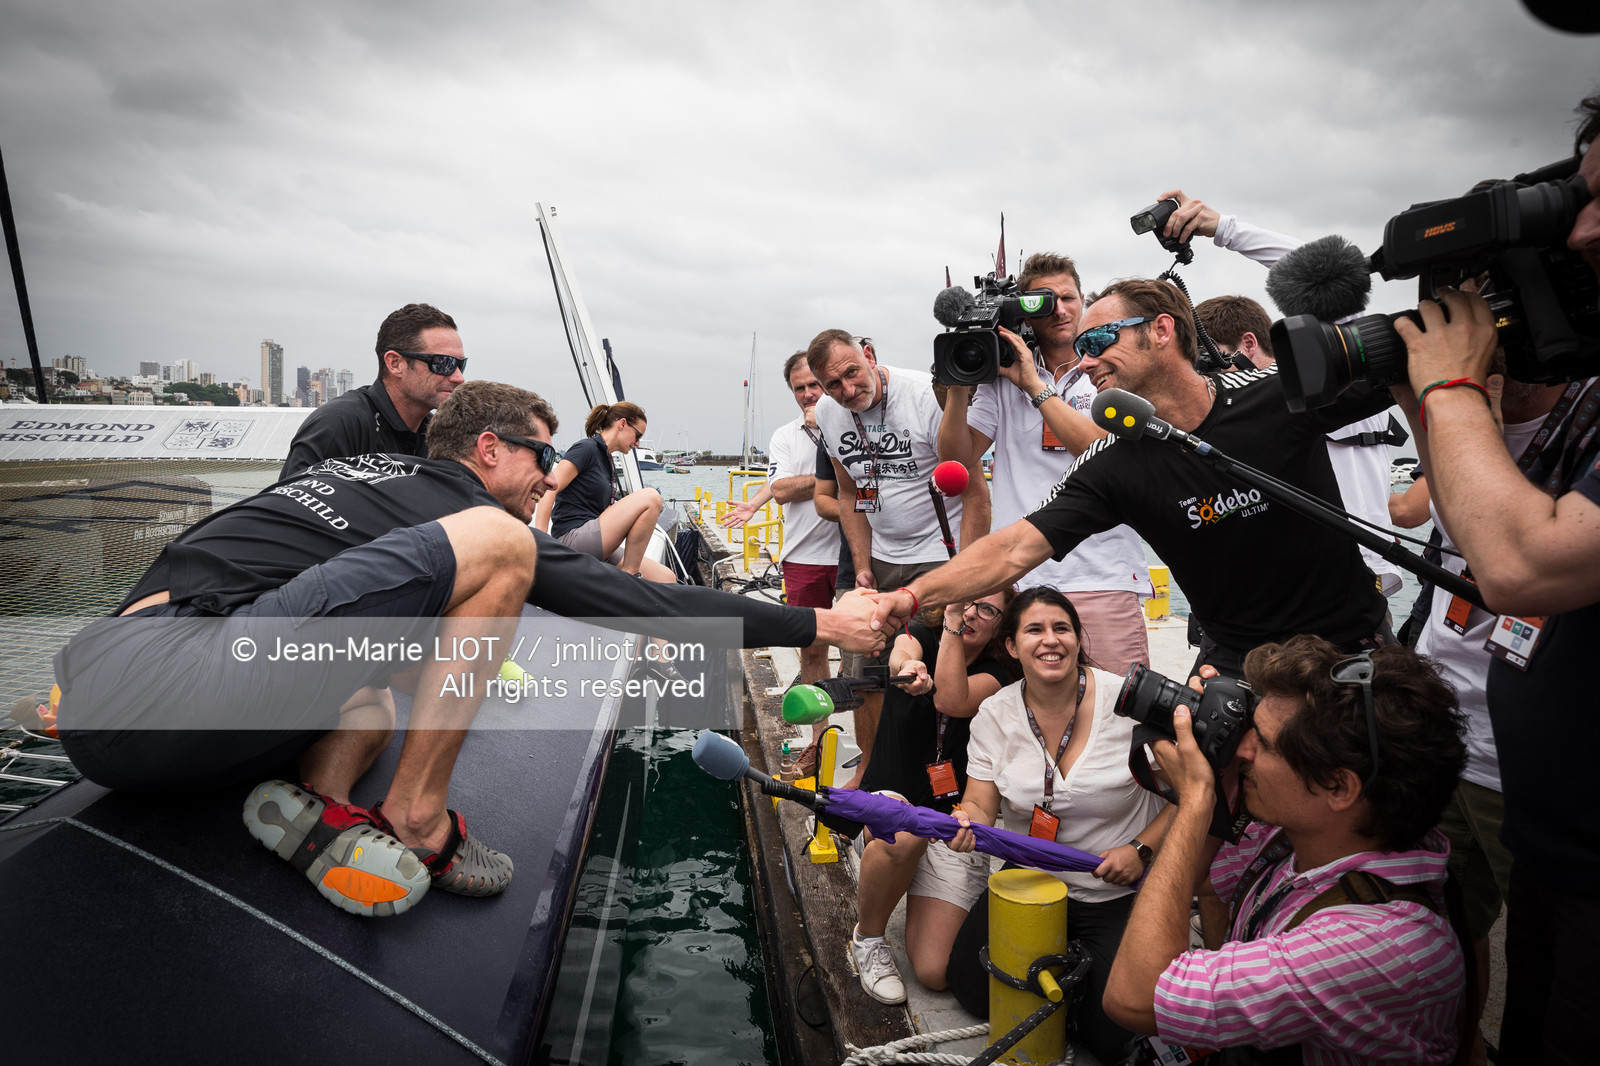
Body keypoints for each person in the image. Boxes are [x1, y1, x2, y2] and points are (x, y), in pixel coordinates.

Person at [55, 381, 887, 919]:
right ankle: (417, 819)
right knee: (501, 548)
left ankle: (320, 802)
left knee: (376, 698)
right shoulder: (465, 509)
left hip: (115, 687)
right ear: (488, 450)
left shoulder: (360, 482)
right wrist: (817, 626)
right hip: (174, 679)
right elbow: (635, 601)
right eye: (542, 454)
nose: (551, 474)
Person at [870, 278, 1396, 681]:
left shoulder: (1273, 393)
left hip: (1351, 650)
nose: (1086, 359)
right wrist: (911, 598)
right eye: (1081, 347)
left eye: (1099, 339)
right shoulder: (1115, 461)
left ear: (1162, 330)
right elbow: (1012, 550)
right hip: (1239, 662)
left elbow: (1407, 357)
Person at [1386, 91, 1600, 1063]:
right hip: (1552, 838)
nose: (1587, 230)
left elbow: (1517, 561)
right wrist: (1429, 397)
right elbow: (1485, 522)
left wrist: (1450, 385)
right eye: (1577, 201)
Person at [1104, 637, 1467, 1061]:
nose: (1243, 750)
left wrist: (1196, 802)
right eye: (1249, 730)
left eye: (1265, 744)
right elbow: (1196, 877)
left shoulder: (1376, 943)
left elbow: (1134, 995)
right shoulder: (1305, 838)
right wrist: (1219, 784)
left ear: (1338, 786)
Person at [942, 587, 1170, 1062]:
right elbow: (980, 803)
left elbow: (1189, 796)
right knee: (970, 990)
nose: (1051, 641)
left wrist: (1141, 850)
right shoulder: (995, 714)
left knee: (1114, 1038)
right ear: (1011, 646)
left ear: (1077, 636)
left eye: (1061, 628)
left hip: (1113, 890)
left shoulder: (1127, 703)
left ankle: (1080, 967)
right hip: (1030, 884)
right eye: (1034, 630)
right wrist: (967, 822)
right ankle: (1071, 965)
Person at [1164, 193, 1409, 600]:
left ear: (1247, 343)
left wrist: (1223, 229)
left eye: (1213, 360)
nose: (1211, 378)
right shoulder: (1231, 414)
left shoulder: (1335, 377)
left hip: (1349, 582)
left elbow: (1327, 279)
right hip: (1269, 586)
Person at [937, 252, 1153, 675]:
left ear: (1084, 301)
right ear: (1024, 313)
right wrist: (962, 381)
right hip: (1025, 578)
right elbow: (957, 460)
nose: (1059, 309)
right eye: (1042, 300)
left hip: (1102, 575)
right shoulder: (1004, 378)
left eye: (1068, 297)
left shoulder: (1111, 367)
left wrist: (1034, 386)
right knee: (1040, 720)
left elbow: (1105, 454)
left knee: (1119, 716)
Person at [808, 330, 990, 784]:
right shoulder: (830, 415)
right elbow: (849, 490)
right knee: (868, 670)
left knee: (936, 674)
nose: (848, 391)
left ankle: (944, 781)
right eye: (833, 385)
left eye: (852, 372)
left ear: (869, 355)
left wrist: (965, 574)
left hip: (939, 557)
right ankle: (869, 771)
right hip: (883, 560)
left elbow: (975, 492)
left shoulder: (923, 397)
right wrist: (863, 563)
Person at [848, 590, 1016, 1005]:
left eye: (989, 609)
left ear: (1001, 627)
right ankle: (867, 939)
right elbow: (902, 649)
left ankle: (913, 877)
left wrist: (952, 634)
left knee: (935, 972)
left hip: (952, 821)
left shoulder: (1002, 674)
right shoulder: (921, 633)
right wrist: (908, 666)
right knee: (904, 832)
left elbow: (953, 699)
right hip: (891, 804)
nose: (973, 613)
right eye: (967, 603)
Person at [722, 352, 842, 687]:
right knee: (813, 650)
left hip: (855, 555)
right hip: (805, 556)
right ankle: (819, 734)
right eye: (799, 388)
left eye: (814, 384)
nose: (808, 394)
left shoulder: (856, 425)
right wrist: (830, 481)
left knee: (862, 651)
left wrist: (830, 427)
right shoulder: (785, 435)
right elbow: (783, 489)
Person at [281, 303, 465, 477]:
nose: (459, 377)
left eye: (460, 364)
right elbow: (287, 508)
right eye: (443, 363)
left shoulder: (434, 433)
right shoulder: (339, 425)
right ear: (395, 364)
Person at [535, 400, 673, 583]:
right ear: (622, 424)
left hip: (595, 539)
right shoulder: (587, 448)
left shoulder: (607, 461)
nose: (638, 443)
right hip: (572, 538)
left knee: (666, 578)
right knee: (651, 498)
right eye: (637, 435)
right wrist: (542, 544)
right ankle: (629, 577)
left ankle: (629, 585)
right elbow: (550, 488)